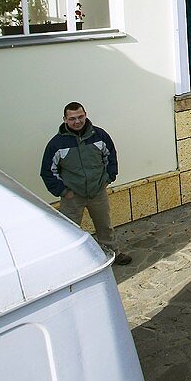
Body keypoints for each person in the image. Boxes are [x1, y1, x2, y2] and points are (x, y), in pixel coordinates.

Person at [40, 102, 131, 265]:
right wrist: (64, 192)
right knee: (70, 232)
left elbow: (111, 157)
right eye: (72, 118)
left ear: (85, 115)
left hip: (98, 192)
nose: (77, 121)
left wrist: (108, 179)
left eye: (80, 117)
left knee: (105, 227)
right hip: (72, 197)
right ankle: (72, 263)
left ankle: (113, 254)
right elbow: (48, 172)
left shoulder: (100, 136)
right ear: (65, 119)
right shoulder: (56, 144)